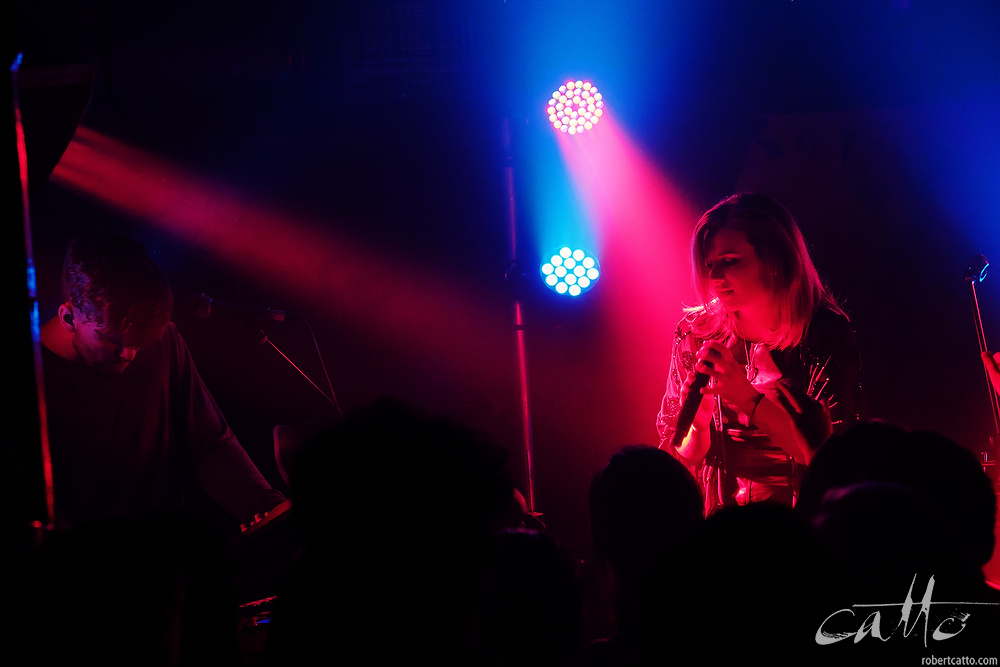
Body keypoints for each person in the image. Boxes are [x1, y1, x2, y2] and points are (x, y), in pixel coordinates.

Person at [37, 231, 285, 530]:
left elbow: (209, 443)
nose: (129, 354)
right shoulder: (34, 381)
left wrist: (269, 508)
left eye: (140, 342)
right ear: (68, 317)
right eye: (113, 341)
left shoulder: (163, 340)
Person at [655, 192, 861, 515]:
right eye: (710, 265)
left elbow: (834, 457)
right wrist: (697, 427)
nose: (715, 277)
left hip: (802, 529)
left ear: (775, 261)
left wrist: (747, 399)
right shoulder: (695, 332)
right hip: (721, 528)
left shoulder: (823, 334)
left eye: (731, 261)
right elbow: (681, 454)